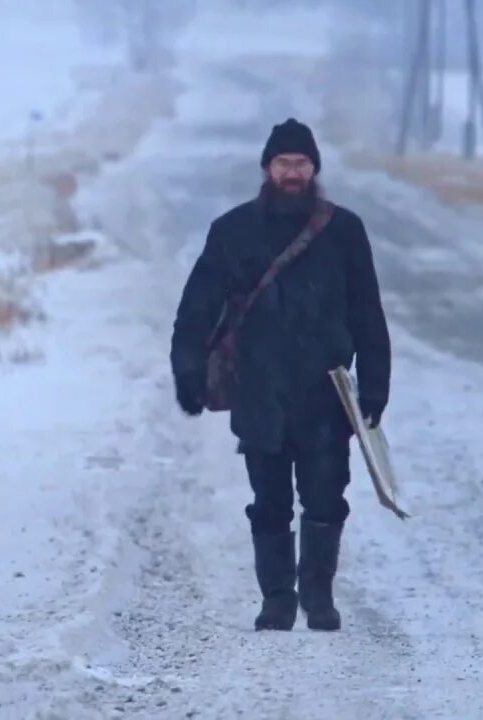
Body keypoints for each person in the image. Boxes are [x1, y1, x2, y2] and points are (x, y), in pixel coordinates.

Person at [169, 118, 391, 632]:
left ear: (314, 168)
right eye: (283, 163)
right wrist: (188, 371)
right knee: (268, 501)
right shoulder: (232, 231)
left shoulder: (344, 231)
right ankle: (277, 600)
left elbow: (367, 312)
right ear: (267, 168)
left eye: (301, 163)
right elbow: (197, 307)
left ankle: (318, 598)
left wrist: (375, 382)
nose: (292, 172)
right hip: (259, 388)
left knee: (326, 496)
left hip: (326, 391)